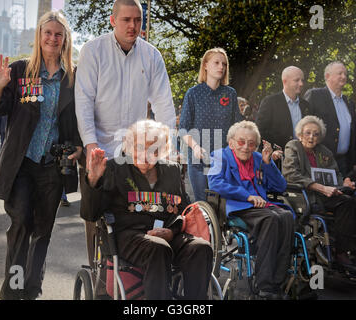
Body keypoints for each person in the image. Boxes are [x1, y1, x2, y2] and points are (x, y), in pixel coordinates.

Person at [75, 0, 176, 296]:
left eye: (138, 20)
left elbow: (164, 106)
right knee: (97, 217)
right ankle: (102, 278)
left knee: (140, 212)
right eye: (126, 20)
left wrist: (166, 146)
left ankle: (138, 273)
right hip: (101, 148)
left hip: (137, 152)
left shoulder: (152, 55)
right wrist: (92, 145)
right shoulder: (93, 51)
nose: (133, 26)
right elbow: (84, 103)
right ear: (113, 20)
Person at [0, 11, 82, 300]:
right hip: (22, 165)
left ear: (65, 39)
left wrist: (78, 145)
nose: (53, 38)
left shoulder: (73, 77)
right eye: (48, 33)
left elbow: (80, 117)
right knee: (21, 226)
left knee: (42, 231)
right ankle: (13, 291)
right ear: (39, 37)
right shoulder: (19, 71)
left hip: (53, 167)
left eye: (58, 34)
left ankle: (32, 290)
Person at [83, 119, 213, 299]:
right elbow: (91, 214)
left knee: (201, 247)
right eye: (140, 147)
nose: (146, 154)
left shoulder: (173, 170)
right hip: (127, 235)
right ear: (128, 147)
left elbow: (184, 211)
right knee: (158, 248)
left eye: (154, 149)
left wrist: (171, 231)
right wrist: (93, 180)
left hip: (168, 235)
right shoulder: (114, 169)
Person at [208, 120, 294, 299]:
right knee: (270, 219)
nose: (246, 147)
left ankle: (278, 280)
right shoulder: (218, 155)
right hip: (237, 205)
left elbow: (280, 186)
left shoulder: (257, 158)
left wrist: (268, 163)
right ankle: (265, 284)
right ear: (231, 142)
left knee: (286, 216)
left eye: (251, 143)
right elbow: (215, 183)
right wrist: (246, 196)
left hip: (262, 205)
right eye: (241, 142)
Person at [282, 115, 356, 272]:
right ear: (300, 134)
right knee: (347, 204)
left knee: (350, 200)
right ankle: (340, 252)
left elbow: (335, 173)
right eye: (308, 133)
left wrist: (343, 183)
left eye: (316, 134)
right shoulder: (293, 147)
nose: (311, 137)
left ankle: (344, 249)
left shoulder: (325, 151)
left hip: (327, 194)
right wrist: (321, 187)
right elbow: (291, 174)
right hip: (306, 196)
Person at [179, 47, 242, 202]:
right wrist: (194, 147)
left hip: (223, 159)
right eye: (216, 63)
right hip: (198, 159)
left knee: (221, 205)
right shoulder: (193, 93)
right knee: (202, 205)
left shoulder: (230, 93)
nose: (221, 67)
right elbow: (183, 128)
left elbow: (237, 127)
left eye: (224, 64)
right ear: (205, 65)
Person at [304, 62, 356, 176]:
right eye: (340, 73)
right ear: (327, 76)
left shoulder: (349, 103)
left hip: (344, 163)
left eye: (345, 74)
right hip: (320, 161)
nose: (344, 77)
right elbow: (303, 127)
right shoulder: (315, 95)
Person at [256, 66, 311, 154]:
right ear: (285, 81)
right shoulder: (270, 102)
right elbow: (260, 132)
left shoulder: (306, 106)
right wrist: (271, 153)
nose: (301, 84)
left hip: (302, 158)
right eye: (297, 80)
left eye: (302, 80)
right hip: (277, 160)